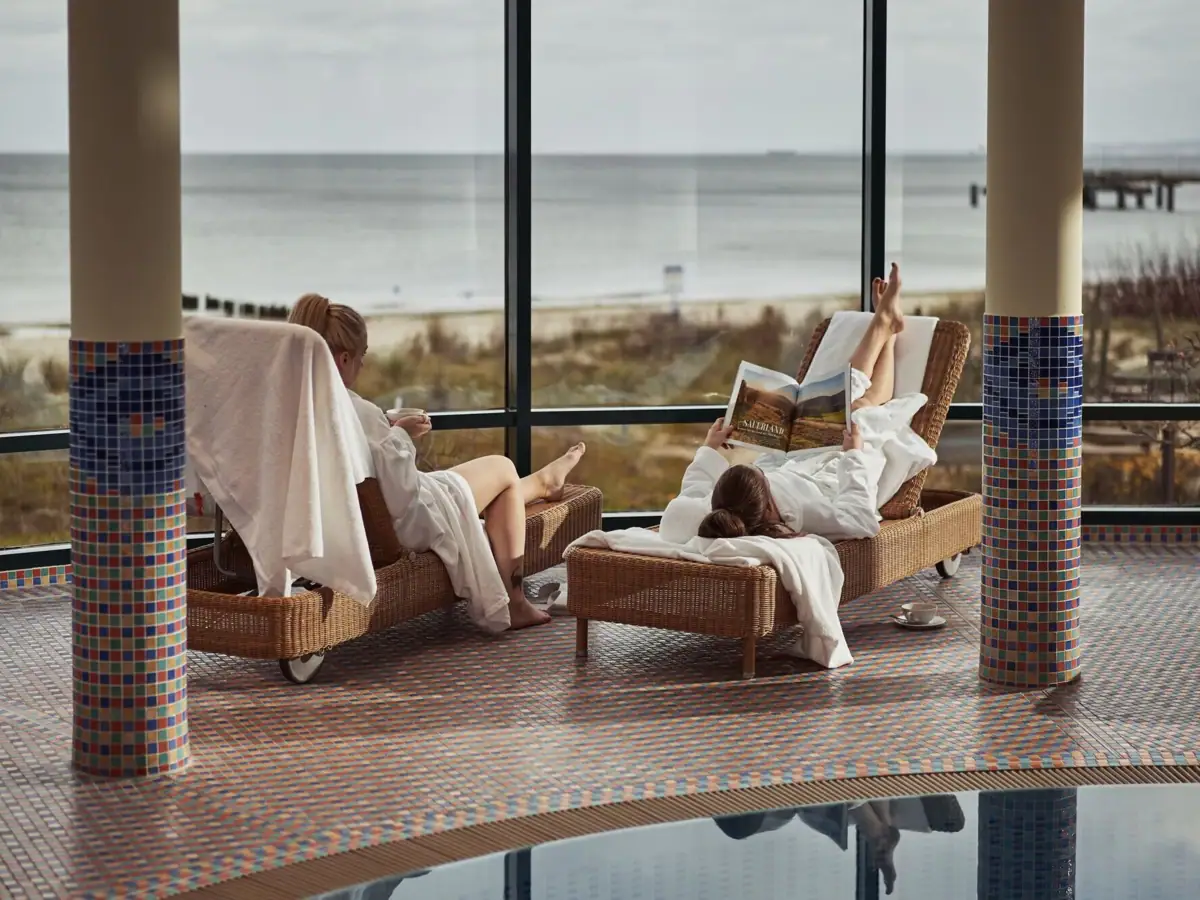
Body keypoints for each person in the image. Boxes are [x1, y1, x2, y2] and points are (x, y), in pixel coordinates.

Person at [288, 293, 585, 630]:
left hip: (321, 524)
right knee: (502, 467)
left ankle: (544, 482)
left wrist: (387, 432)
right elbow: (403, 498)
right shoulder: (360, 414)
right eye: (361, 358)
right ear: (342, 359)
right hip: (398, 527)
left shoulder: (286, 411)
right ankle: (515, 602)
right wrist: (401, 436)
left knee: (478, 482)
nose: (362, 366)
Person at [686, 263, 907, 543]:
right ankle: (886, 328)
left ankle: (886, 326)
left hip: (787, 460)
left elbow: (692, 490)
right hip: (825, 472)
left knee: (842, 401)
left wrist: (710, 449)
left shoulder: (710, 511)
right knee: (861, 411)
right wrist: (853, 456)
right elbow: (861, 522)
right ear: (768, 508)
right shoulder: (803, 514)